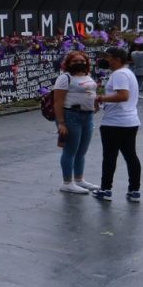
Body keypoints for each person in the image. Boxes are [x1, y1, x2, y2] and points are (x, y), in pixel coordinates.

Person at [92, 47, 141, 203]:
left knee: (110, 157)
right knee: (130, 156)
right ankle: (134, 191)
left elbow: (123, 96)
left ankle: (106, 189)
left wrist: (101, 98)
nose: (105, 60)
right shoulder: (128, 73)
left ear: (118, 59)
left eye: (108, 57)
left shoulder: (119, 74)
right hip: (130, 121)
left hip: (115, 123)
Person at [52, 49, 98, 194]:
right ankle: (67, 182)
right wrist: (61, 123)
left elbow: (91, 92)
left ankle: (79, 180)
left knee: (82, 151)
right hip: (71, 116)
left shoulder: (87, 76)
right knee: (70, 151)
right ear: (68, 63)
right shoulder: (65, 78)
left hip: (88, 116)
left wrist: (95, 103)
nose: (79, 63)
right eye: (75, 61)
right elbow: (58, 101)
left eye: (82, 61)